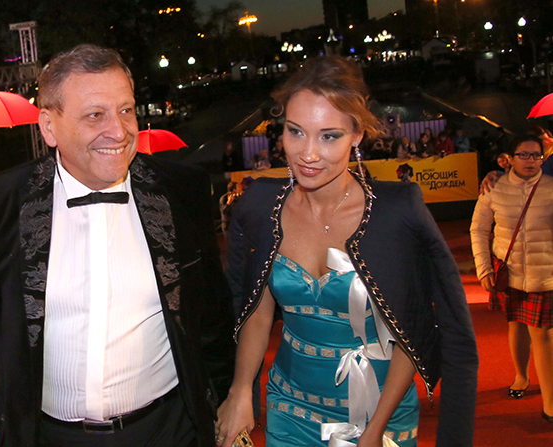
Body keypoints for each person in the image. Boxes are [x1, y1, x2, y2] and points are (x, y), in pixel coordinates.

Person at [0, 44, 234, 447]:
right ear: (49, 127)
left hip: (170, 430)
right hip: (45, 438)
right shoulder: (0, 204)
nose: (119, 131)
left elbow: (213, 319)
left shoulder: (182, 190)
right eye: (95, 115)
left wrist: (222, 402)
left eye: (126, 110)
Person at [216, 56, 478, 447]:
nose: (308, 153)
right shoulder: (262, 206)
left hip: (380, 411)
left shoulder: (394, 214)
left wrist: (375, 430)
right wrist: (240, 390)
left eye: (329, 136)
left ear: (357, 135)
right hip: (290, 407)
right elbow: (256, 309)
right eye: (295, 131)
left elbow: (413, 331)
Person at [470, 135, 553, 425]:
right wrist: (484, 269)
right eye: (524, 155)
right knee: (515, 322)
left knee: (542, 333)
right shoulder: (494, 187)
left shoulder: (551, 186)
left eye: (536, 155)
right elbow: (479, 229)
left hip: (546, 273)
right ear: (510, 158)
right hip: (510, 270)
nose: (531, 161)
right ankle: (521, 375)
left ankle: (550, 402)